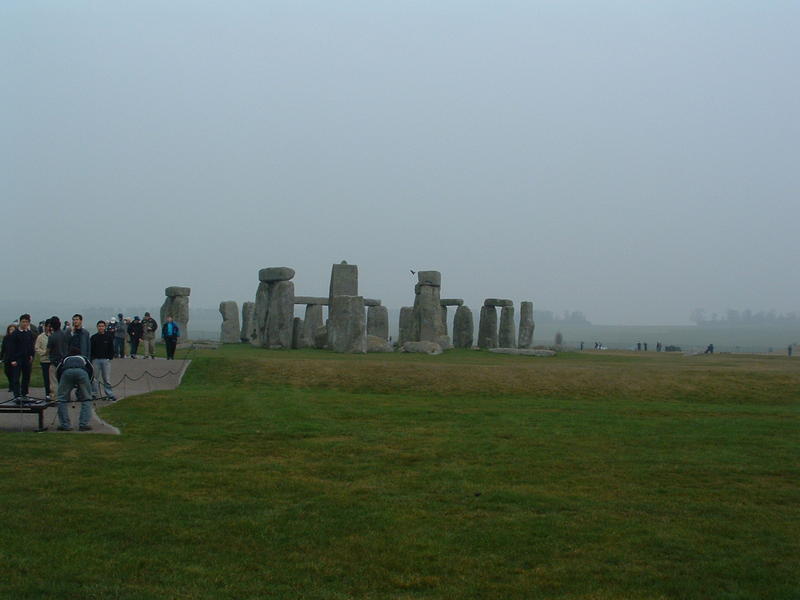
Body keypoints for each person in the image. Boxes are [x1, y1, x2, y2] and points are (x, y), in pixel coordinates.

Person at [55, 347, 95, 432]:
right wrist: (89, 383)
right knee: (86, 399)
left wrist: (61, 384)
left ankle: (65, 425)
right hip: (82, 372)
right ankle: (83, 424)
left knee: (61, 399)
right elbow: (91, 370)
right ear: (79, 353)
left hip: (67, 372)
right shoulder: (83, 358)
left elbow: (57, 371)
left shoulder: (65, 358)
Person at [7, 314, 37, 401]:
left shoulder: (29, 333)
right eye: (23, 322)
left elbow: (31, 345)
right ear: (20, 322)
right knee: (16, 377)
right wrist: (12, 359)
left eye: (26, 322)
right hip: (17, 359)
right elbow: (11, 348)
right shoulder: (15, 334)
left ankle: (25, 393)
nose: (25, 324)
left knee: (26, 376)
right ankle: (17, 395)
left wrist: (31, 355)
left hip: (27, 358)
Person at [90, 320, 116, 401]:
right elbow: (91, 349)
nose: (101, 327)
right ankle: (94, 394)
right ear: (97, 327)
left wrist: (110, 357)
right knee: (94, 379)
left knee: (106, 379)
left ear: (105, 327)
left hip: (105, 360)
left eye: (102, 326)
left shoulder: (108, 337)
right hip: (96, 360)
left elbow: (111, 348)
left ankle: (109, 394)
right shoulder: (93, 337)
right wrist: (92, 358)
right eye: (99, 326)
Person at [35, 319, 53, 400]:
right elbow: (37, 348)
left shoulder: (54, 335)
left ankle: (54, 393)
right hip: (45, 360)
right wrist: (44, 352)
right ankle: (47, 394)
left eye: (50, 326)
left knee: (54, 379)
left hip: (53, 360)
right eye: (48, 326)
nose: (49, 328)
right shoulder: (40, 337)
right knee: (46, 378)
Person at [1, 324, 17, 392]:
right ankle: (11, 383)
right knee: (7, 372)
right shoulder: (6, 338)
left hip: (15, 358)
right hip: (7, 357)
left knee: (14, 373)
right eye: (10, 329)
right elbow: (3, 348)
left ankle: (13, 386)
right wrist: (1, 357)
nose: (12, 331)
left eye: (13, 330)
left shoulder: (17, 338)